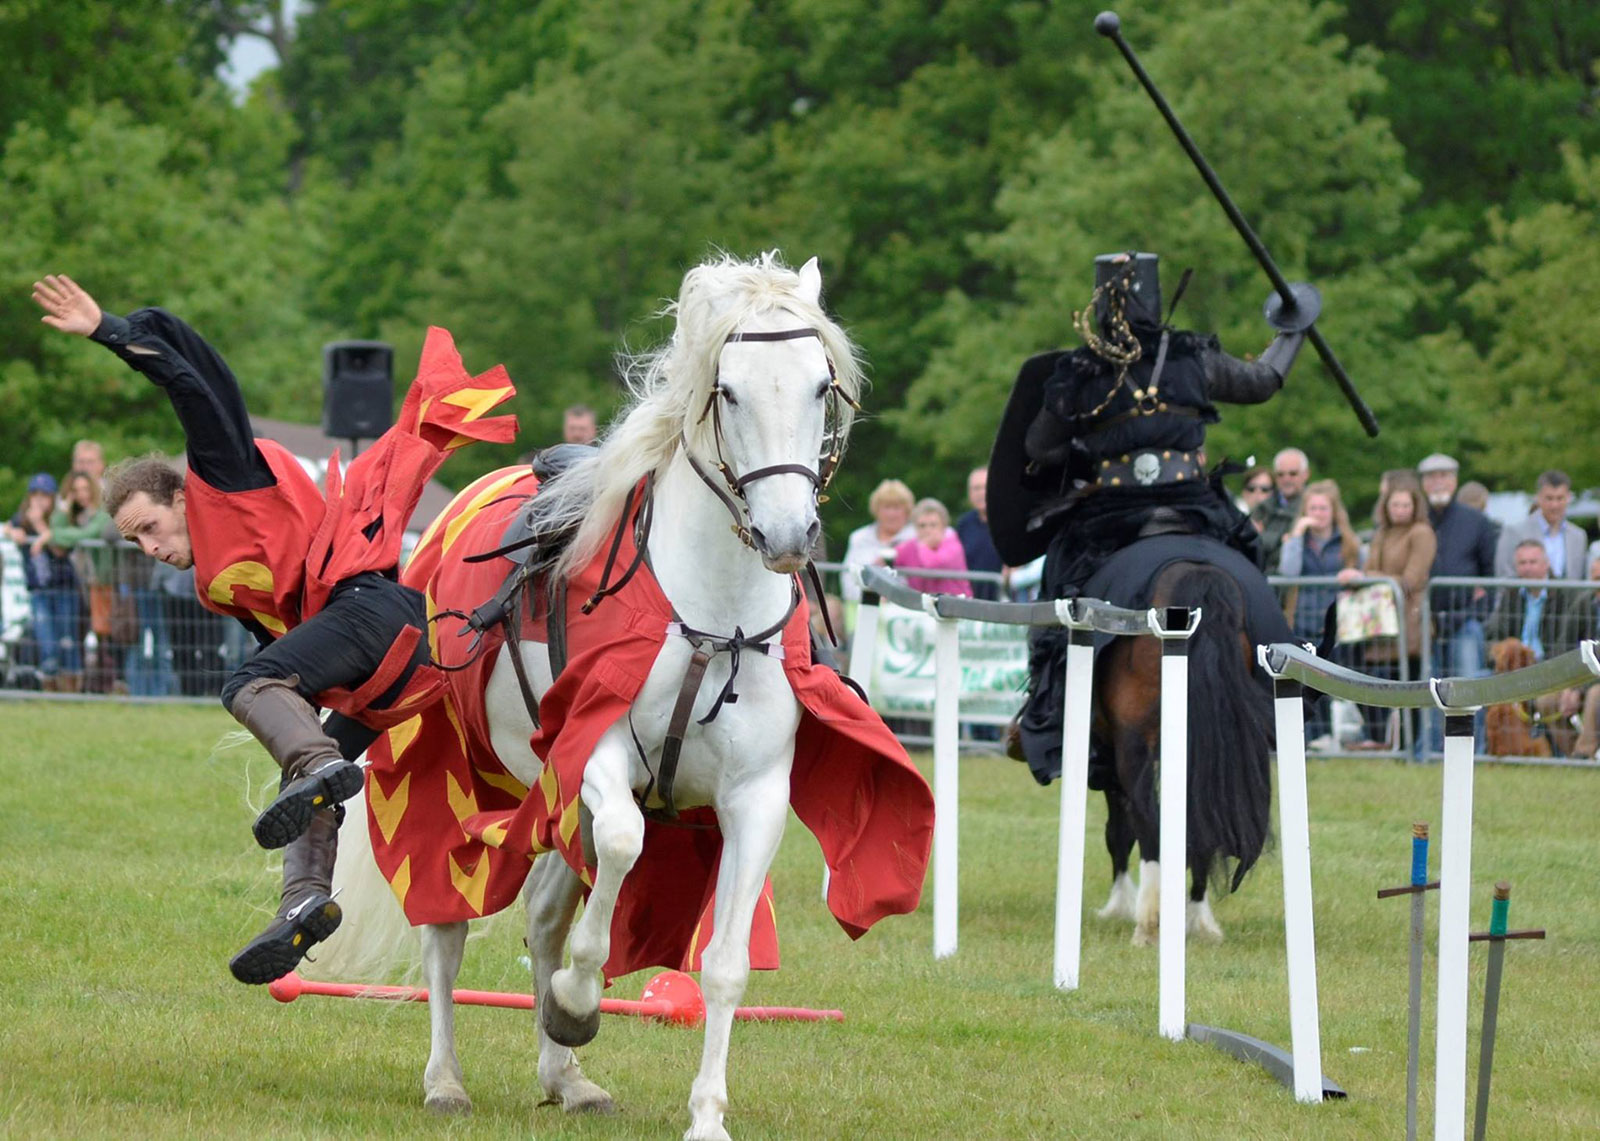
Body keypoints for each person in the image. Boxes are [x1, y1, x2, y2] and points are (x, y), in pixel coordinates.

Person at [31, 273, 517, 984]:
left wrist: (108, 329)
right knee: (308, 778)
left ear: (178, 492)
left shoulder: (222, 476)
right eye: (134, 542)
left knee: (252, 691)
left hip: (378, 614)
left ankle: (319, 769)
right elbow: (290, 654)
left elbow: (195, 386)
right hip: (380, 665)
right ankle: (304, 904)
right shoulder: (212, 580)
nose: (150, 548)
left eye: (150, 528)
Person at [987, 251, 1314, 782]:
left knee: (1061, 578)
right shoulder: (1193, 357)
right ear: (1156, 295)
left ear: (1099, 304)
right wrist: (1294, 329)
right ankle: (1286, 677)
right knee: (1248, 555)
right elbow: (1262, 381)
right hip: (1196, 507)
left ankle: (1044, 706)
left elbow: (1040, 446)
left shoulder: (1081, 371)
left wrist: (1085, 437)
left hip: (1109, 515)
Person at [1417, 452, 1497, 751]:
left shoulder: (1476, 522)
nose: (1438, 482)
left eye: (1444, 475)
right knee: (1429, 689)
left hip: (1465, 621)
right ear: (1423, 483)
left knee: (1467, 688)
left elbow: (1491, 578)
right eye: (1432, 476)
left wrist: (1477, 613)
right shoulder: (1416, 519)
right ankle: (1433, 751)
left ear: (1454, 480)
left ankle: (1472, 750)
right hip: (1424, 622)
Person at [1350, 474, 1436, 749]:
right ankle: (1379, 739)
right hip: (1379, 622)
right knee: (1365, 678)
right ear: (1386, 506)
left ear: (1415, 506)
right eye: (1395, 504)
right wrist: (1379, 577)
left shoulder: (1421, 533)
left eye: (1405, 505)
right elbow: (1372, 572)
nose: (1399, 510)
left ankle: (1410, 748)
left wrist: (1373, 577)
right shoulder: (1382, 533)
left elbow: (1411, 579)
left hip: (1409, 621)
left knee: (1409, 686)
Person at [1277, 479, 1360, 748]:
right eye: (1312, 508)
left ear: (1334, 511)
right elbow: (1288, 572)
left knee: (1331, 682)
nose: (1318, 514)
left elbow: (1361, 570)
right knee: (1304, 683)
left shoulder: (1349, 543)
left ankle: (1339, 739)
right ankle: (1308, 739)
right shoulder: (1297, 541)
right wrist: (1297, 535)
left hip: (1339, 625)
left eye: (1323, 508)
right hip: (1302, 619)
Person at [1484, 540, 1586, 754]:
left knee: (1546, 701)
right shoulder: (1510, 594)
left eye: (1533, 561)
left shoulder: (1567, 595)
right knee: (1473, 687)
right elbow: (1493, 633)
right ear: (1516, 566)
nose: (1528, 567)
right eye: (1522, 563)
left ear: (1546, 564)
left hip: (1549, 669)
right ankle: (1482, 753)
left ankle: (1574, 756)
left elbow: (1568, 643)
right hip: (1511, 669)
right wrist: (1504, 655)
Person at [5, 473, 81, 689]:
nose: (39, 500)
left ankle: (72, 691)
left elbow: (60, 549)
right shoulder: (22, 518)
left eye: (45, 495)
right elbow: (9, 526)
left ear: (52, 498)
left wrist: (40, 527)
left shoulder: (60, 519)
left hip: (64, 588)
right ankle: (51, 691)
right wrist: (13, 532)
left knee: (68, 640)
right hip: (39, 590)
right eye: (35, 494)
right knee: (47, 642)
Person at [48, 470, 116, 691]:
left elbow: (87, 534)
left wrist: (59, 535)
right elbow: (55, 530)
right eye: (75, 490)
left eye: (85, 489)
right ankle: (84, 685)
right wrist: (63, 511)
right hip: (82, 584)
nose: (81, 494)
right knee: (80, 634)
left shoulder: (101, 514)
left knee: (106, 635)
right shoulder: (76, 517)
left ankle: (108, 685)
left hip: (104, 582)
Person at [1496, 470, 1586, 580]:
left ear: (1568, 498)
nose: (1554, 505)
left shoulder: (1578, 536)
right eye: (1549, 498)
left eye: (1560, 498)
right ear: (1538, 498)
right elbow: (1505, 576)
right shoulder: (1514, 532)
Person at [840, 478, 915, 608]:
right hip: (862, 607)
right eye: (886, 507)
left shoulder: (915, 539)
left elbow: (918, 582)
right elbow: (848, 578)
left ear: (907, 511)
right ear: (876, 510)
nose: (891, 514)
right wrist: (871, 599)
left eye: (897, 508)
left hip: (904, 613)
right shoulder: (859, 538)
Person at [894, 498, 973, 596]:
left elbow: (932, 565)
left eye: (933, 525)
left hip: (955, 606)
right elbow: (889, 558)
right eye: (922, 526)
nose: (928, 530)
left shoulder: (953, 546)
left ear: (943, 526)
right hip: (921, 605)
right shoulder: (911, 546)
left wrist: (923, 546)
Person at [1253, 447, 1311, 567]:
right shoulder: (1262, 508)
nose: (1286, 479)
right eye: (1280, 474)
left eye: (1293, 474)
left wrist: (1263, 537)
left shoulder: (1313, 508)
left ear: (1306, 475)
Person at [953, 466, 1003, 600]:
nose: (981, 492)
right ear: (969, 493)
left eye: (985, 487)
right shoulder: (964, 524)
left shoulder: (1008, 521)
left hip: (1003, 600)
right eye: (976, 488)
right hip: (970, 600)